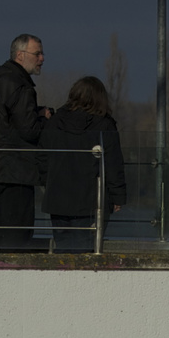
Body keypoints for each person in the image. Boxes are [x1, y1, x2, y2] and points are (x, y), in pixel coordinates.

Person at [0, 34, 49, 251]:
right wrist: (44, 119)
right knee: (17, 241)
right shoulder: (20, 85)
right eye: (37, 54)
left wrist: (34, 113)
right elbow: (29, 130)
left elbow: (4, 119)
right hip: (16, 170)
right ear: (20, 55)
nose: (42, 59)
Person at [40, 77, 125, 251]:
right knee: (87, 254)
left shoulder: (55, 122)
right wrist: (118, 196)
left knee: (63, 252)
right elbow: (113, 164)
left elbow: (42, 157)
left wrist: (46, 182)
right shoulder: (104, 125)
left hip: (58, 199)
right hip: (91, 201)